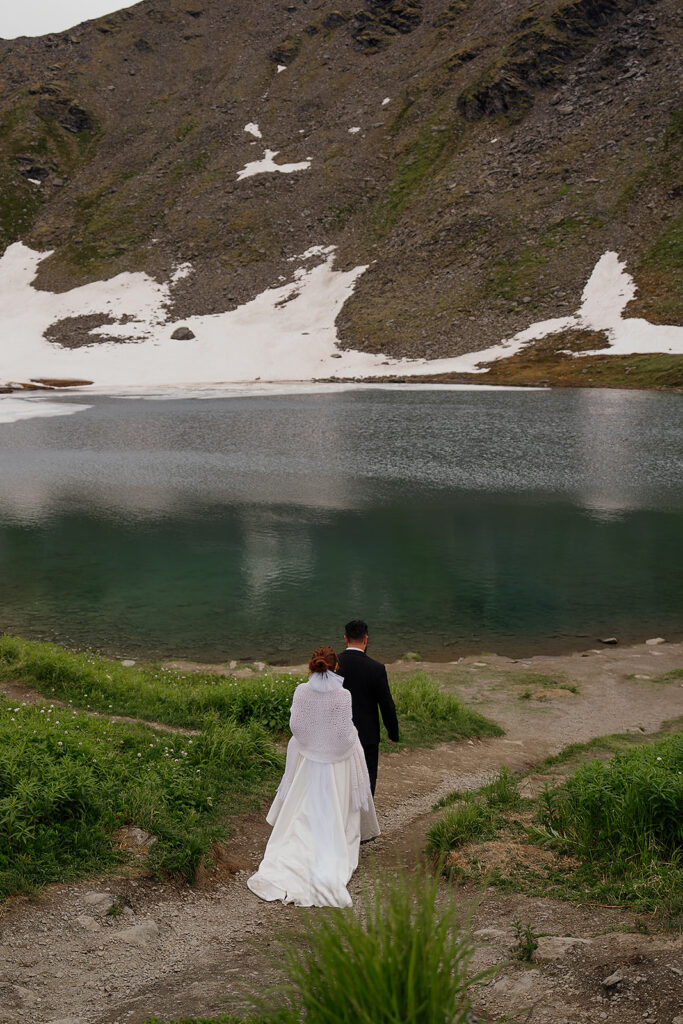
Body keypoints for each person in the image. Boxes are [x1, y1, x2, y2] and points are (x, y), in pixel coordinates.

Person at [247, 645, 380, 908]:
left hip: (309, 761)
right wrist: (352, 739)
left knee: (302, 808)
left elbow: (296, 726)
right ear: (335, 667)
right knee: (333, 807)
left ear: (312, 665)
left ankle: (291, 856)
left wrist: (311, 744)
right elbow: (343, 734)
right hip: (335, 764)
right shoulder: (343, 696)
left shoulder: (301, 691)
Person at [337, 619, 399, 796]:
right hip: (367, 733)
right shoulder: (376, 668)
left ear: (345, 638)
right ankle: (365, 816)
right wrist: (392, 732)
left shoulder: (335, 664)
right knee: (367, 775)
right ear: (366, 639)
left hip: (339, 730)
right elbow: (386, 703)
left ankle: (343, 814)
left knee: (341, 774)